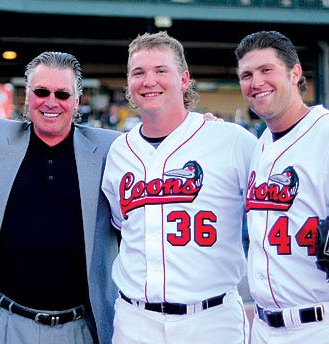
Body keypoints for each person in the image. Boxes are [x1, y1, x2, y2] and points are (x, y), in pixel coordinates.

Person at [0, 51, 120, 343]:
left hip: (77, 328)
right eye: (41, 91)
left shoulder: (108, 149)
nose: (51, 102)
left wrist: (200, 131)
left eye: (62, 94)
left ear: (77, 101)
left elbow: (160, 157)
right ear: (26, 96)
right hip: (1, 322)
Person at [100, 31, 256, 344]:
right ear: (128, 83)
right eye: (139, 73)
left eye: (161, 71)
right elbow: (122, 225)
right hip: (135, 320)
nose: (149, 81)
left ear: (184, 79)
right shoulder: (118, 152)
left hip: (211, 319)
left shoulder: (231, 141)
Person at [235, 30, 329, 344]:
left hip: (324, 323)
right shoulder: (260, 145)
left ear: (295, 72)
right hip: (263, 326)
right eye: (246, 75)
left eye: (266, 70)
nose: (255, 82)